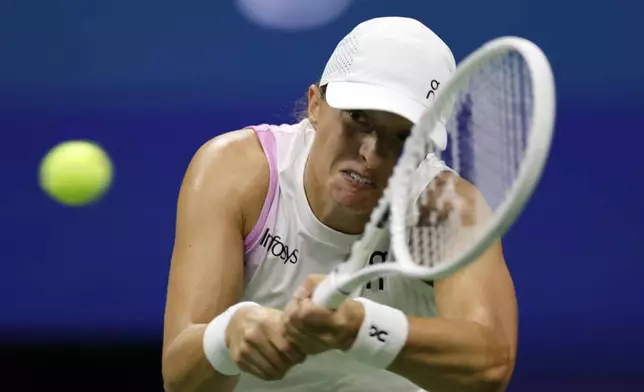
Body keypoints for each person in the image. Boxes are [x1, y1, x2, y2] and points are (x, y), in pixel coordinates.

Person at [161, 16, 518, 392]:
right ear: (315, 104)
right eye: (358, 119)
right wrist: (227, 336)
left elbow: (491, 365)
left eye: (403, 136)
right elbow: (181, 378)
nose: (373, 155)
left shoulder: (445, 210)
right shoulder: (236, 173)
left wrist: (359, 326)